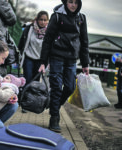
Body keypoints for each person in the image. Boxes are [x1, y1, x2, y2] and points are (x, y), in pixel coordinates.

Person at [38, 0, 90, 132]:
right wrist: (43, 61)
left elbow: (84, 41)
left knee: (70, 87)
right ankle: (54, 118)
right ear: (66, 3)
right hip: (56, 57)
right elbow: (48, 39)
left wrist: (85, 63)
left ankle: (53, 104)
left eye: (75, 2)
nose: (73, 5)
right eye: (70, 2)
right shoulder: (57, 16)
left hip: (72, 59)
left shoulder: (81, 18)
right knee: (56, 87)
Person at [18, 10, 49, 85]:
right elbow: (22, 43)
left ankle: (33, 96)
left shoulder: (49, 32)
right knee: (27, 79)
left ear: (48, 21)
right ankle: (25, 95)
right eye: (41, 19)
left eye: (45, 20)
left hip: (40, 60)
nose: (43, 22)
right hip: (29, 58)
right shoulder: (29, 28)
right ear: (37, 20)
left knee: (36, 81)